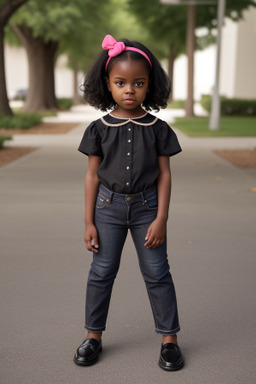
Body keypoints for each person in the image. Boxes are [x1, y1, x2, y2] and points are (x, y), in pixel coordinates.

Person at [74, 34, 184, 371]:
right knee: (102, 271)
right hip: (107, 208)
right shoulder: (99, 129)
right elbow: (92, 176)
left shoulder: (158, 129)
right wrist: (89, 220)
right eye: (121, 82)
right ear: (107, 84)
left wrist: (162, 216)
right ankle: (93, 336)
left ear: (149, 84)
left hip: (148, 208)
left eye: (138, 83)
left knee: (156, 272)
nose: (129, 90)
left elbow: (164, 175)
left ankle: (169, 340)